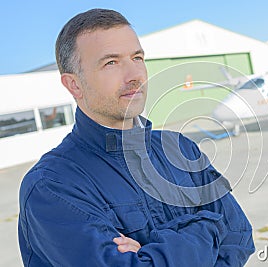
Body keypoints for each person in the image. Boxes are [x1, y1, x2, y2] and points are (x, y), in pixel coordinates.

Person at [18, 8, 255, 266]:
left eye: (137, 57)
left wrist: (150, 250)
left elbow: (240, 236)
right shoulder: (52, 185)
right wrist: (208, 227)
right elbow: (224, 229)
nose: (135, 76)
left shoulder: (181, 149)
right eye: (111, 62)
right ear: (74, 85)